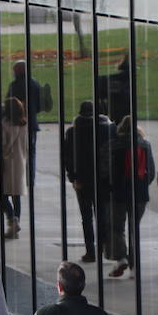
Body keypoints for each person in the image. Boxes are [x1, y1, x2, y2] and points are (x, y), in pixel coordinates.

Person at [63, 101, 115, 262]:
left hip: (82, 180)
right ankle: (104, 248)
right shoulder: (107, 129)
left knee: (86, 218)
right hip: (103, 180)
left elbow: (68, 157)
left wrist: (72, 177)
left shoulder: (73, 132)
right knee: (102, 215)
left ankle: (90, 250)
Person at [107, 117, 155, 279]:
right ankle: (135, 267)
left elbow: (106, 170)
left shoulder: (114, 145)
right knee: (134, 229)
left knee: (117, 227)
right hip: (140, 194)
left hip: (119, 193)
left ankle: (121, 257)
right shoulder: (145, 145)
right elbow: (151, 171)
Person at [0, 96, 28, 237]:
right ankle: (16, 220)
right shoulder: (24, 124)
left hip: (5, 163)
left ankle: (11, 219)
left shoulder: (4, 124)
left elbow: (1, 145)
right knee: (16, 196)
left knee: (2, 195)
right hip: (19, 162)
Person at [7, 59, 43, 176]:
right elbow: (39, 106)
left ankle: (20, 177)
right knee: (31, 152)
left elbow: (9, 105)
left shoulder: (15, 86)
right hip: (31, 123)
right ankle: (30, 178)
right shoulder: (35, 83)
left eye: (14, 70)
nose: (13, 73)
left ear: (19, 70)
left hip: (17, 125)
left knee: (18, 153)